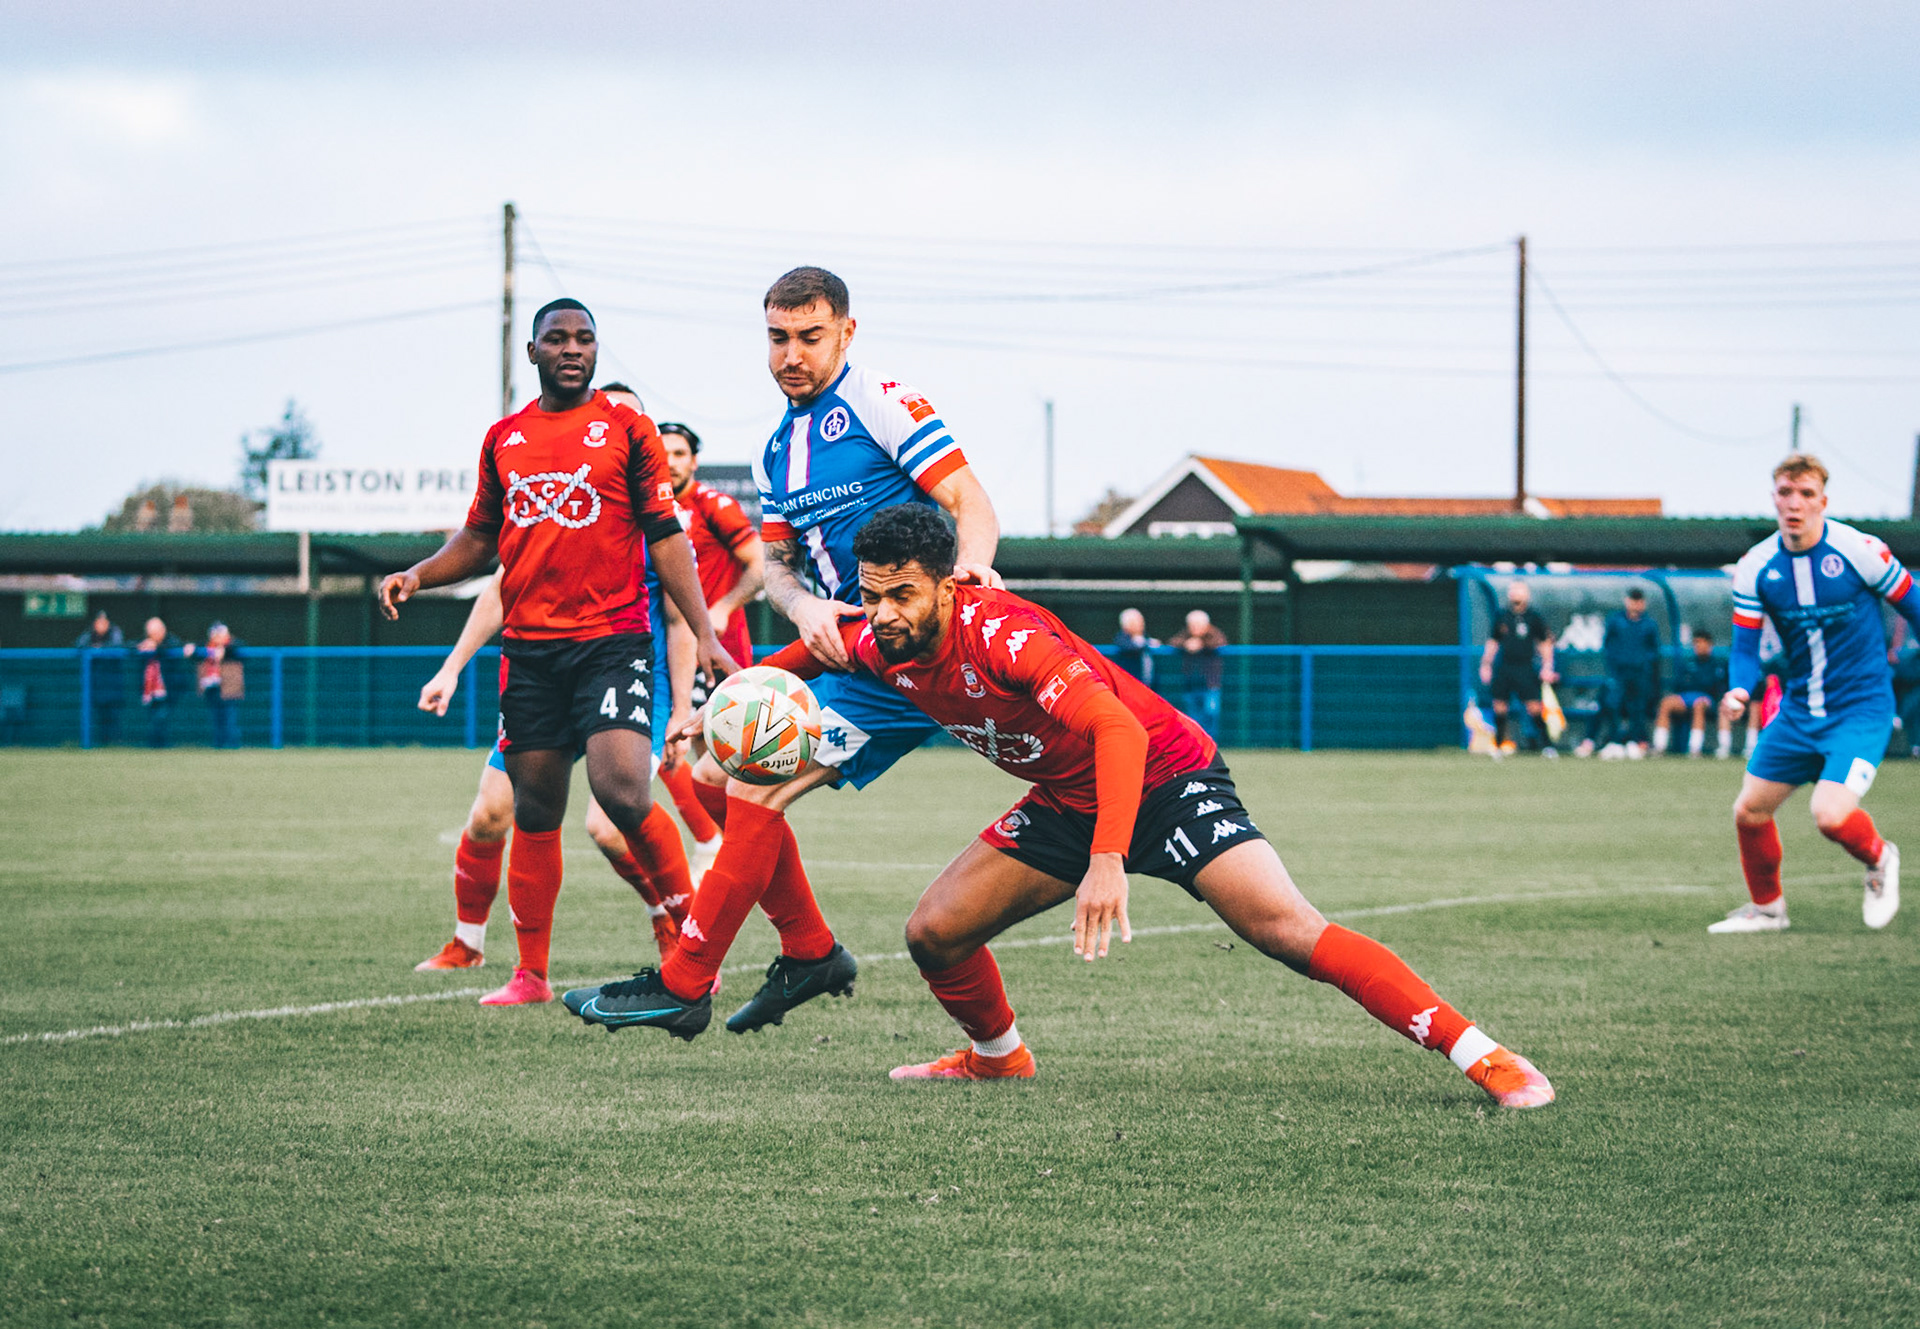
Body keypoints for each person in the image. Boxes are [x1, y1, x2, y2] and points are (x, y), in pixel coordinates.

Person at [598, 503, 1553, 1108]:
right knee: (934, 931)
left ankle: (1483, 1054)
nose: (882, 614)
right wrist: (715, 718)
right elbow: (797, 661)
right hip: (1064, 796)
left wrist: (1107, 859)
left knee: (1288, 930)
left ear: (946, 582)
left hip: (1165, 779)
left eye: (900, 595)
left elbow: (1119, 732)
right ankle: (997, 1057)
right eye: (873, 595)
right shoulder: (878, 633)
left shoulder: (1003, 633)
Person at [561, 265, 1004, 1041]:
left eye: (809, 336)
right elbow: (776, 567)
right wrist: (804, 608)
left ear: (846, 333)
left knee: (755, 784)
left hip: (909, 654)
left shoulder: (881, 400)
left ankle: (684, 980)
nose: (791, 354)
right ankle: (809, 951)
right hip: (846, 650)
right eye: (777, 338)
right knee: (705, 778)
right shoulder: (776, 451)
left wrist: (969, 569)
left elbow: (971, 501)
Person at [377, 297, 734, 1006]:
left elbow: (667, 538)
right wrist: (418, 574)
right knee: (534, 811)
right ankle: (530, 975)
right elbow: (480, 541)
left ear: (597, 351)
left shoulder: (627, 427)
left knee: (622, 792)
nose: (572, 348)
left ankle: (689, 940)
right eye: (557, 339)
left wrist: (709, 633)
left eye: (585, 338)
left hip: (612, 644)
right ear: (534, 352)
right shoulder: (504, 437)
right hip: (532, 654)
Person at [412, 557, 698, 977]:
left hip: (629, 678)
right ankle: (467, 943)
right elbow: (498, 590)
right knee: (490, 812)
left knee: (608, 825)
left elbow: (680, 619)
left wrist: (682, 707)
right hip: (549, 677)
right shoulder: (541, 501)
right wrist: (451, 667)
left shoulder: (648, 510)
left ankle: (670, 922)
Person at [1709, 453, 1917, 934]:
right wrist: (1739, 690)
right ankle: (1767, 910)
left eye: (1805, 494)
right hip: (1801, 711)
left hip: (1861, 710)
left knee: (1829, 815)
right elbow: (1744, 648)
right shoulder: (1756, 566)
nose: (1794, 504)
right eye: (1785, 493)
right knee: (1750, 810)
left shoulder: (1860, 550)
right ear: (1774, 499)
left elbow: (1915, 604)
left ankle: (1880, 857)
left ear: (1823, 500)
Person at [653, 415, 765, 881]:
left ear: (694, 461)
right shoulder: (652, 511)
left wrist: (721, 607)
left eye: (679, 453)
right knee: (685, 754)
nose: (670, 462)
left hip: (716, 655)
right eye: (662, 454)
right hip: (675, 652)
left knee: (701, 756)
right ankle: (718, 848)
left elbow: (759, 564)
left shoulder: (711, 504)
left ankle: (721, 846)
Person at [1479, 581, 1557, 754]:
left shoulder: (1533, 617)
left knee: (1534, 707)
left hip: (1525, 667)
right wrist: (1486, 664)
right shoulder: (1502, 616)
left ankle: (1547, 746)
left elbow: (1545, 643)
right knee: (1499, 706)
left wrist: (1547, 666)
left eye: (1519, 590)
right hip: (1504, 667)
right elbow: (1493, 642)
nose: (1515, 594)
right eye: (1513, 590)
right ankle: (1498, 745)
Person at [1593, 587, 1660, 758]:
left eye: (1639, 601)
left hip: (1640, 673)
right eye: (1633, 600)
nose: (1636, 605)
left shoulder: (1649, 624)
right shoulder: (1616, 621)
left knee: (1637, 708)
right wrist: (1613, 667)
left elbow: (1653, 650)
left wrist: (1644, 664)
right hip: (1619, 672)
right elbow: (1608, 645)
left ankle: (1635, 741)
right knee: (1613, 705)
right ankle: (1614, 741)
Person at [1656, 631, 1732, 759]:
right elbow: (1679, 685)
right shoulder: (1688, 664)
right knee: (1666, 703)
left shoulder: (1717, 665)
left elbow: (1718, 687)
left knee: (1699, 704)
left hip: (1706, 700)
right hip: (1686, 698)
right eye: (1696, 643)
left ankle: (1694, 749)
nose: (1699, 646)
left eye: (1702, 643)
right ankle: (1659, 747)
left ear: (1709, 644)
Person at [1168, 610, 1227, 738]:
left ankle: (1211, 743)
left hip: (1210, 685)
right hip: (1191, 684)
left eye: (1198, 625)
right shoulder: (1185, 635)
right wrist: (1186, 644)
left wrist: (1201, 644)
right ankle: (1197, 744)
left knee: (1211, 714)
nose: (1195, 628)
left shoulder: (1214, 634)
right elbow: (1173, 642)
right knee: (1193, 717)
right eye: (1192, 625)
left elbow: (1220, 642)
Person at [134, 616, 190, 748]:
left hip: (169, 688)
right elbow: (130, 645)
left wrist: (156, 647)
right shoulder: (145, 641)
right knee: (154, 716)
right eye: (152, 633)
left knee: (162, 716)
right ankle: (155, 745)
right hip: (149, 689)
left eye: (157, 632)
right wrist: (142, 646)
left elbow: (174, 647)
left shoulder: (172, 640)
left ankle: (161, 744)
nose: (155, 636)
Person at [74, 610, 125, 745]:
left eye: (104, 622)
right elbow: (79, 644)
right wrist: (93, 648)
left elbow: (117, 645)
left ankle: (115, 742)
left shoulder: (115, 632)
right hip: (96, 683)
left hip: (112, 682)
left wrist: (100, 648)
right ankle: (98, 742)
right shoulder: (89, 633)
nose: (101, 625)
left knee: (113, 714)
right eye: (98, 622)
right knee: (98, 713)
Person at [191, 622, 244, 748]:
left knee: (229, 717)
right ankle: (218, 743)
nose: (218, 637)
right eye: (215, 635)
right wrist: (191, 648)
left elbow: (237, 647)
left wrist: (225, 649)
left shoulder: (233, 646)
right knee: (216, 717)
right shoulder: (206, 647)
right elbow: (194, 652)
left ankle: (232, 743)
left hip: (229, 688)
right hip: (212, 686)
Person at [1110, 608, 1158, 687]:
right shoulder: (1121, 638)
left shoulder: (1145, 637)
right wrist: (1146, 644)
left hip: (1148, 684)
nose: (1141, 624)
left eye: (1141, 621)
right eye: (1136, 622)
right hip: (1130, 683)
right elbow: (1129, 647)